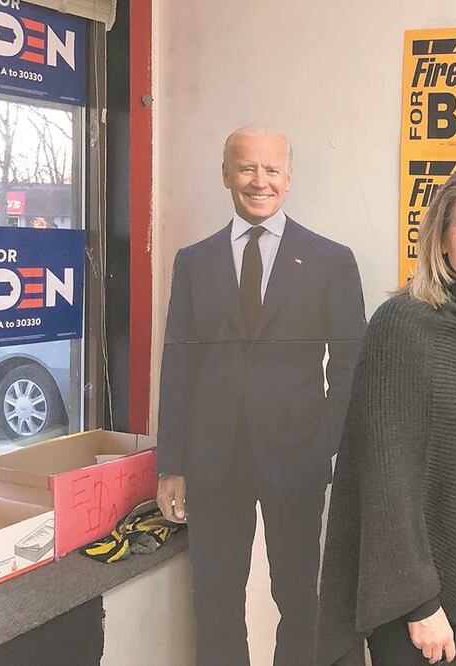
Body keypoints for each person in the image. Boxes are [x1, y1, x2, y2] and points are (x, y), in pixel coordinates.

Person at [155, 125, 366, 666]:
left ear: (289, 179)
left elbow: (350, 364)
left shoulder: (330, 259)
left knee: (298, 598)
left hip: (297, 456)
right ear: (226, 174)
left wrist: (326, 444)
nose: (259, 180)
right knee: (217, 599)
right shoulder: (193, 261)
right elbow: (179, 363)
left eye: (271, 169)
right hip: (212, 460)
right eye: (246, 168)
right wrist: (171, 463)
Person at [316, 166, 456, 666]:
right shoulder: (403, 325)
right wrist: (418, 602)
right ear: (441, 242)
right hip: (420, 601)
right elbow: (385, 475)